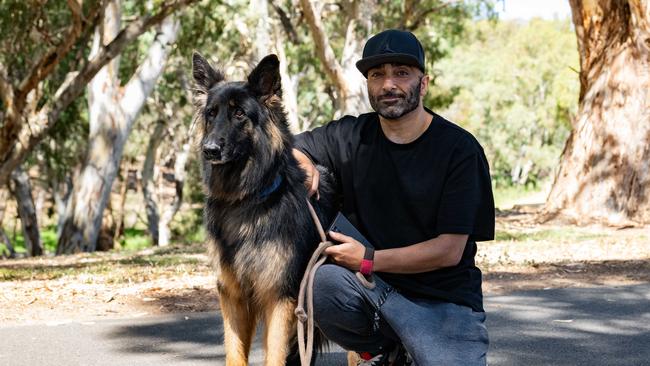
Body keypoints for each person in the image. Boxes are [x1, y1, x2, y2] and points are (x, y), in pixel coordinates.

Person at [292, 29, 494, 366]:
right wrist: (305, 165)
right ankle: (385, 352)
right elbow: (289, 145)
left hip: (441, 303)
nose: (388, 84)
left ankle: (414, 350)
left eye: (401, 73)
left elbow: (449, 250)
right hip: (374, 293)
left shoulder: (460, 150)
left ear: (423, 83)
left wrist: (368, 259)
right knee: (322, 284)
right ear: (368, 85)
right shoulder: (350, 134)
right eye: (377, 75)